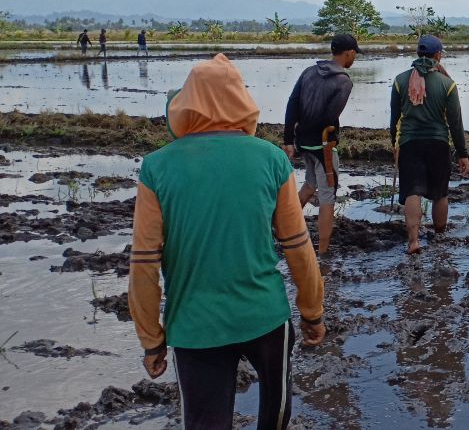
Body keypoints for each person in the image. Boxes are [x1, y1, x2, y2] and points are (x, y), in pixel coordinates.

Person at [128, 54, 325, 430]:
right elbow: (298, 245)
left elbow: (144, 261)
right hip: (265, 316)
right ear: (240, 99)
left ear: (185, 103)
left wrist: (151, 339)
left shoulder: (157, 166)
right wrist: (312, 312)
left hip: (194, 324)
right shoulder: (270, 159)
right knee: (276, 414)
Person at [390, 36, 469, 255]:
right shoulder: (448, 84)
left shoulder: (400, 81)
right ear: (438, 55)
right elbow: (455, 123)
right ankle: (440, 236)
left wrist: (394, 145)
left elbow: (394, 118)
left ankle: (413, 241)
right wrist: (463, 153)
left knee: (412, 192)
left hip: (408, 143)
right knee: (440, 193)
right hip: (438, 144)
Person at [283, 33, 359, 255]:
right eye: (354, 53)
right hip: (323, 146)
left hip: (304, 144)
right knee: (328, 197)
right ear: (348, 53)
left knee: (309, 184)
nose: (354, 57)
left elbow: (292, 103)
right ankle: (323, 252)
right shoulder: (343, 81)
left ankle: (283, 227)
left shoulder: (309, 71)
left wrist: (290, 138)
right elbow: (328, 117)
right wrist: (307, 131)